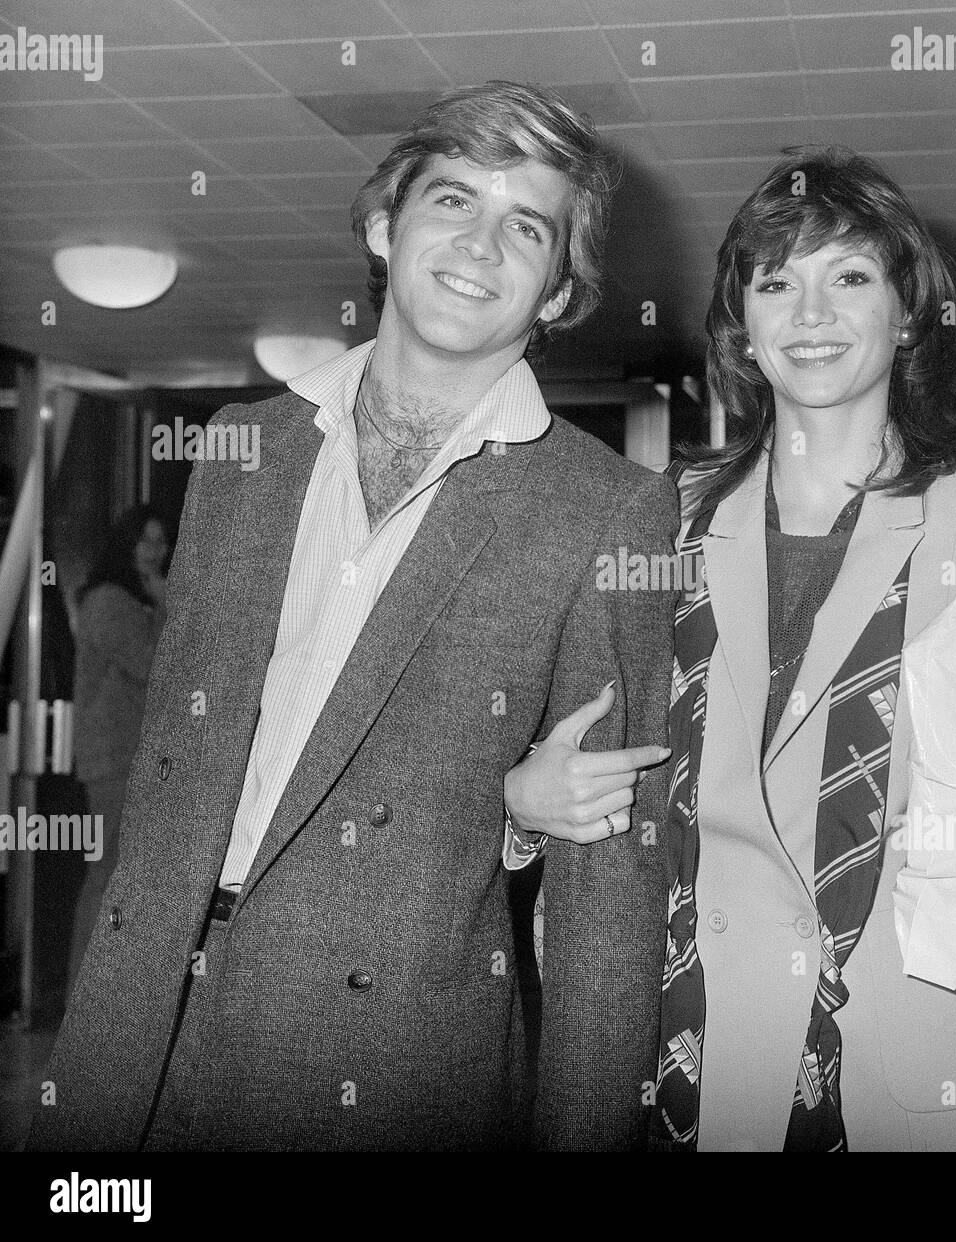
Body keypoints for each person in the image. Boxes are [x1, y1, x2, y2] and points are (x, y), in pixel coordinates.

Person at [502, 146, 956, 1152]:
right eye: (775, 282)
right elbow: (559, 738)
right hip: (673, 1051)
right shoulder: (658, 518)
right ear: (741, 330)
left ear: (908, 311)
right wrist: (524, 808)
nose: (810, 313)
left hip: (913, 1067)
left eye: (849, 276)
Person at [28, 81, 677, 1152]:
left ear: (559, 292)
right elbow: (178, 771)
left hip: (389, 1058)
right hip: (142, 1024)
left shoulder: (605, 509)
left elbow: (607, 886)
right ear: (385, 225)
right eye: (452, 200)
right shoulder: (242, 453)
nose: (479, 243)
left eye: (527, 227)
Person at [65, 506, 170, 999]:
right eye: (146, 540)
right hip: (114, 757)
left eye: (161, 541)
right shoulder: (111, 600)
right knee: (107, 873)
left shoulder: (118, 599)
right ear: (125, 544)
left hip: (122, 756)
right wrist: (163, 599)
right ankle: (81, 999)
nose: (157, 550)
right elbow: (152, 664)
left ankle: (97, 998)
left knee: (115, 874)